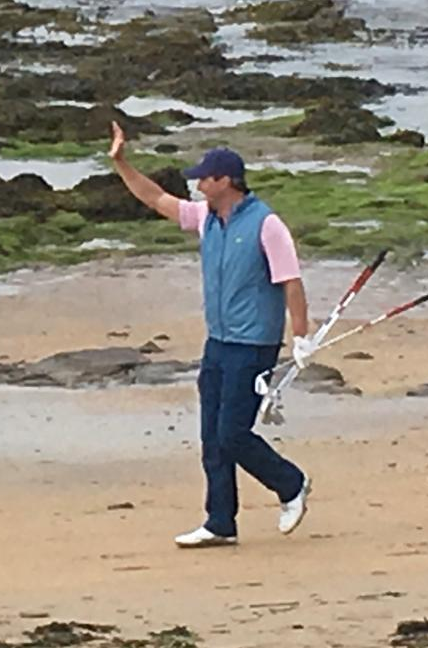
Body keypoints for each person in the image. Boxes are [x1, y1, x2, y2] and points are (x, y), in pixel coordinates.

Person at [107, 122, 312, 548]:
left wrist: (301, 337)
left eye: (203, 176)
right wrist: (121, 163)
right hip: (218, 341)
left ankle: (291, 484)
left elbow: (291, 282)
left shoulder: (266, 224)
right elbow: (155, 198)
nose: (196, 183)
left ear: (226, 181)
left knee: (233, 434)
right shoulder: (206, 218)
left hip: (254, 344)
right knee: (211, 438)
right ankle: (220, 522)